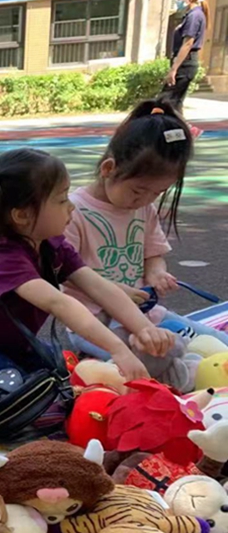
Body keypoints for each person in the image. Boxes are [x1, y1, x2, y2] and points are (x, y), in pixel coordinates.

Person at [0, 148, 175, 397]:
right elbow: (60, 303)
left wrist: (144, 329)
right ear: (22, 215)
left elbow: (98, 286)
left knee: (59, 371)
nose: (71, 206)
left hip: (13, 343)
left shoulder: (52, 244)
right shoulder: (5, 259)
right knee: (12, 385)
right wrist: (118, 348)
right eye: (61, 199)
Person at [64, 100, 228, 355]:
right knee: (154, 361)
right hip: (93, 322)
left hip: (144, 315)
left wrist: (156, 273)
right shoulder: (73, 211)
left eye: (158, 193)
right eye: (138, 190)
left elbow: (153, 254)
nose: (145, 200)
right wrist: (117, 293)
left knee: (217, 343)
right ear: (108, 169)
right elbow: (67, 273)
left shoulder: (143, 208)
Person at [159, 0, 209, 115]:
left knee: (165, 101)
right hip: (184, 62)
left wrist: (174, 69)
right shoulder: (190, 15)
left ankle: (175, 126)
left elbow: (187, 44)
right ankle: (180, 126)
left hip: (185, 63)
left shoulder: (194, 16)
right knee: (174, 103)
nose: (178, 0)